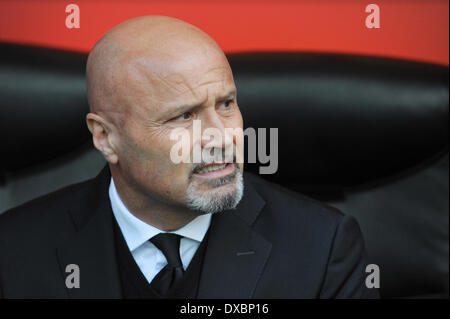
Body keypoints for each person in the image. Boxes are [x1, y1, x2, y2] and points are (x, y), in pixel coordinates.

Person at [0, 15, 378, 298]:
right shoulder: (13, 251)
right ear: (105, 137)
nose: (222, 137)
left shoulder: (322, 248)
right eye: (184, 115)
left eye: (227, 104)